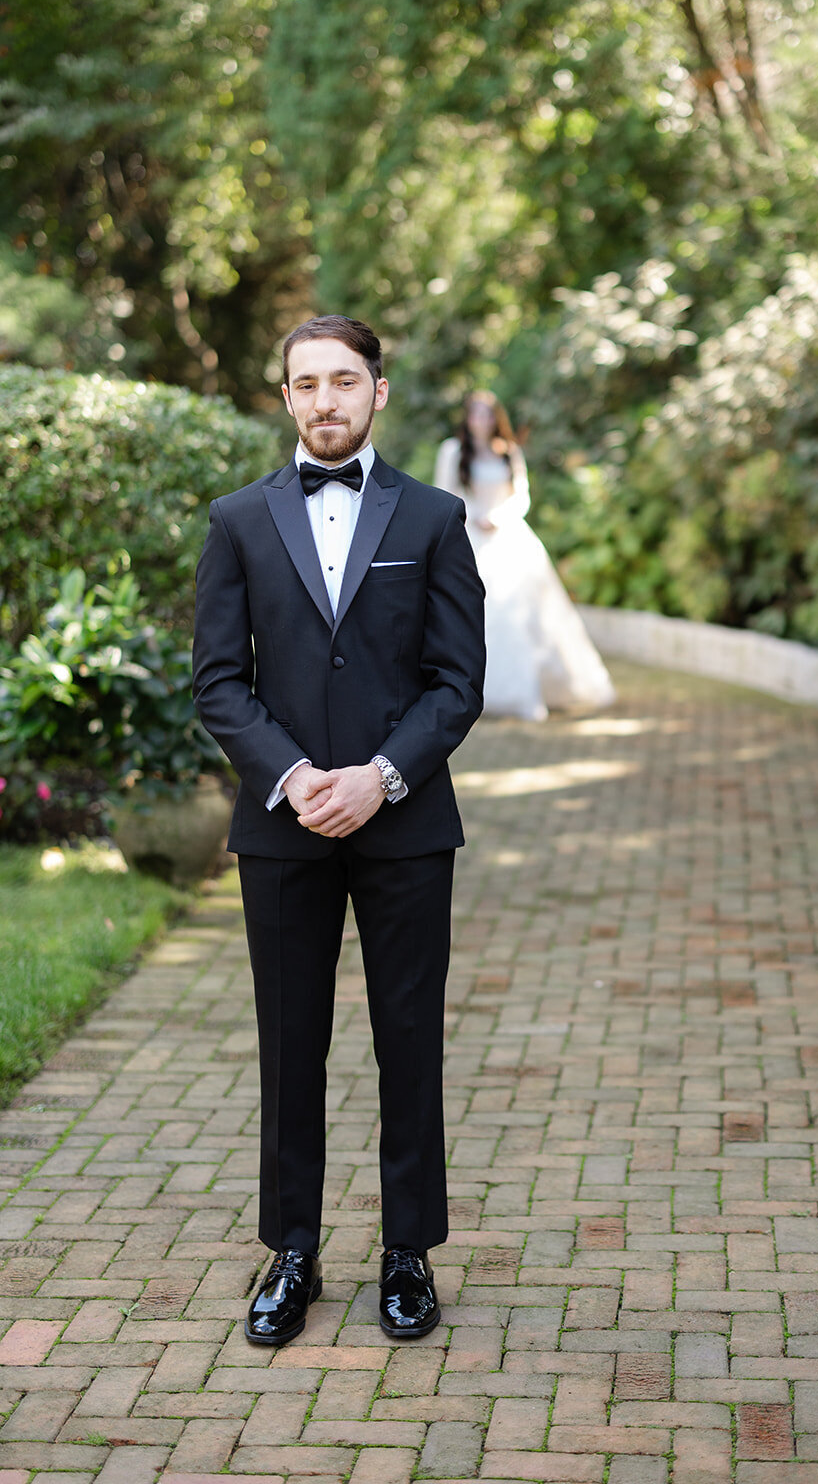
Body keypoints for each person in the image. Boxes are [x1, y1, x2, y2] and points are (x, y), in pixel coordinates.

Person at [192, 315, 485, 1347]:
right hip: (282, 828)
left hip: (404, 826)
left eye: (344, 381)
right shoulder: (235, 520)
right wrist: (298, 776)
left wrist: (381, 777)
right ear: (283, 397)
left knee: (408, 1041)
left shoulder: (435, 518)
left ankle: (406, 1255)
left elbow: (457, 685)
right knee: (290, 1046)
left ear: (378, 391)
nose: (325, 400)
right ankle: (292, 1252)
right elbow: (219, 683)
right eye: (306, 383)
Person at [433, 391, 615, 722]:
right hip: (470, 534)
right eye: (475, 414)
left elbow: (522, 495)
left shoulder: (509, 451)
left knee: (529, 613)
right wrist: (474, 515)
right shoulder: (452, 451)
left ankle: (532, 690)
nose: (481, 421)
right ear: (467, 418)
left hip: (508, 535)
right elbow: (445, 493)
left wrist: (500, 517)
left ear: (495, 418)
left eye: (487, 414)